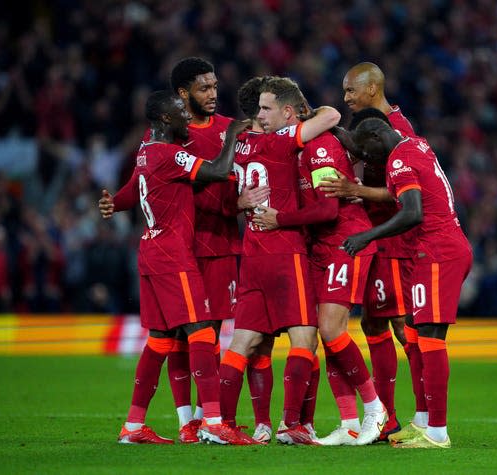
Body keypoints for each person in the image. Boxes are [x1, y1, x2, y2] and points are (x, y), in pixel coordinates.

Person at [98, 90, 255, 445]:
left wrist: (115, 203)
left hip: (151, 251)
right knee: (201, 332)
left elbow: (133, 190)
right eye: (181, 112)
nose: (188, 118)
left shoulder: (145, 152)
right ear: (166, 120)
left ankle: (134, 426)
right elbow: (218, 170)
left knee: (160, 340)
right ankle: (213, 422)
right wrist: (231, 135)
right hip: (173, 255)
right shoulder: (170, 155)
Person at [252, 109, 389, 446]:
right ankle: (348, 422)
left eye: (267, 109)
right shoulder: (291, 151)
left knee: (331, 328)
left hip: (346, 241)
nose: (261, 116)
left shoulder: (320, 147)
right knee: (319, 334)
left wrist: (281, 219)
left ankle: (375, 408)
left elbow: (328, 210)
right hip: (318, 247)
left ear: (288, 112)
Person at [218, 76, 340, 445]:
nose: (263, 114)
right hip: (285, 252)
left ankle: (221, 424)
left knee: (243, 343)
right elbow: (332, 115)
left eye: (266, 108)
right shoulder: (276, 142)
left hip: (251, 253)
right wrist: (303, 112)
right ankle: (292, 424)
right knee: (305, 339)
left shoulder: (236, 147)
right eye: (263, 108)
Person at [341, 118, 473, 449]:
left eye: (367, 151)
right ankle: (424, 421)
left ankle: (438, 433)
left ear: (375, 136)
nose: (368, 159)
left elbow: (412, 212)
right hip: (441, 248)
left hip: (437, 251)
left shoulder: (399, 159)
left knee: (429, 337)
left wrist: (368, 234)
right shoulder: (417, 144)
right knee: (414, 330)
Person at [319, 61, 418, 440]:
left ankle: (423, 414)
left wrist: (357, 192)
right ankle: (390, 417)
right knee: (376, 323)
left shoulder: (398, 131)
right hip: (375, 238)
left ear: (372, 90)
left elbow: (405, 193)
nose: (346, 98)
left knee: (399, 325)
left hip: (393, 240)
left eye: (350, 91)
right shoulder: (372, 127)